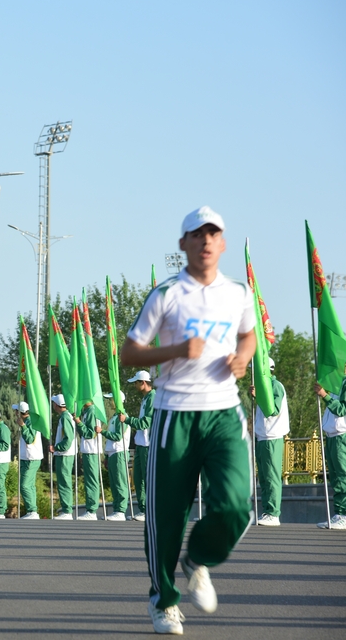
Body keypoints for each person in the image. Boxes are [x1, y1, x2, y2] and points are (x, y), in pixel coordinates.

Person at [121, 205, 256, 635]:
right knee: (166, 516)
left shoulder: (238, 293)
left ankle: (198, 558)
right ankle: (163, 601)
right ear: (183, 244)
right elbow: (131, 353)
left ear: (223, 242)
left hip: (223, 412)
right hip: (174, 413)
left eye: (213, 234)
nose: (206, 241)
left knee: (237, 504)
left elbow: (249, 333)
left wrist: (244, 357)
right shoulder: (166, 295)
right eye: (197, 235)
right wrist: (176, 350)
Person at [251, 358, 288, 527]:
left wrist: (258, 395)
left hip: (272, 437)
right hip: (263, 436)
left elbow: (273, 409)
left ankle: (273, 513)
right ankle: (267, 511)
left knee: (271, 477)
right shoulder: (264, 388)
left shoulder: (275, 386)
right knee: (264, 478)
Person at [315, 361, 346, 530]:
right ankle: (339, 513)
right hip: (333, 436)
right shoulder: (337, 384)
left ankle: (344, 514)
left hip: (342, 436)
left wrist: (324, 395)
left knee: (343, 476)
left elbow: (342, 410)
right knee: (335, 477)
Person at [125, 370, 155, 521]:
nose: (135, 385)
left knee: (147, 478)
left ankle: (150, 511)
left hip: (149, 445)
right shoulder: (145, 399)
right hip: (140, 444)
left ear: (143, 382)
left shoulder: (152, 397)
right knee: (138, 478)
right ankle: (143, 510)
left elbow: (146, 423)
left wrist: (128, 420)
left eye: (136, 383)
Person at [103, 395, 131, 521]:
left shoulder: (123, 416)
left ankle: (121, 510)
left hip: (120, 452)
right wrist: (106, 456)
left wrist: (102, 432)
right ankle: (116, 509)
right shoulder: (114, 417)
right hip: (112, 453)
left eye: (112, 399)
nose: (110, 402)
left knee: (120, 482)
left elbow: (117, 436)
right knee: (114, 484)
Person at [49, 394, 76, 520]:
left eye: (54, 403)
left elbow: (68, 438)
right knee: (63, 482)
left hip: (64, 454)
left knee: (64, 482)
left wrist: (56, 447)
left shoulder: (65, 417)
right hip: (64, 454)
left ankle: (67, 511)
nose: (53, 405)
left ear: (57, 405)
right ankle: (66, 510)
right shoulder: (65, 416)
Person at [76, 401, 103, 521]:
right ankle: (90, 509)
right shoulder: (86, 412)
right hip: (87, 450)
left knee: (92, 480)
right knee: (89, 481)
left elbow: (89, 433)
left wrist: (78, 422)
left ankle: (92, 510)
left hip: (92, 450)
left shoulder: (92, 411)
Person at [16, 402, 43, 520]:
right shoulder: (28, 421)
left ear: (20, 412)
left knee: (25, 485)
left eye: (16, 410)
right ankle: (32, 510)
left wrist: (23, 426)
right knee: (30, 485)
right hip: (27, 457)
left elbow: (29, 438)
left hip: (31, 458)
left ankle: (32, 511)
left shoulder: (30, 422)